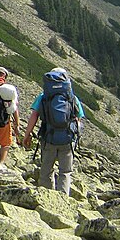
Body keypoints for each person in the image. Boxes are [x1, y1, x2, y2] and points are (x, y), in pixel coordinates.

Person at [22, 67, 85, 195]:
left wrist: (27, 134)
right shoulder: (71, 97)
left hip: (48, 137)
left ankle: (46, 197)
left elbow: (34, 116)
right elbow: (78, 117)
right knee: (65, 172)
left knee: (46, 169)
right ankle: (63, 200)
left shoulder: (44, 96)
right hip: (67, 139)